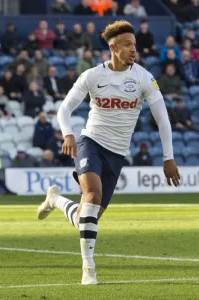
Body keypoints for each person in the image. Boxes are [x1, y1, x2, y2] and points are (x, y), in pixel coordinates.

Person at [37, 20, 179, 285]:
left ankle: (55, 201)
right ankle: (88, 268)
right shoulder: (92, 75)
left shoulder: (144, 78)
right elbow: (64, 110)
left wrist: (168, 157)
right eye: (127, 45)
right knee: (92, 194)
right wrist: (68, 133)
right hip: (90, 141)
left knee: (85, 217)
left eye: (134, 45)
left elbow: (163, 121)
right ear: (113, 48)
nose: (133, 50)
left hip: (117, 153)